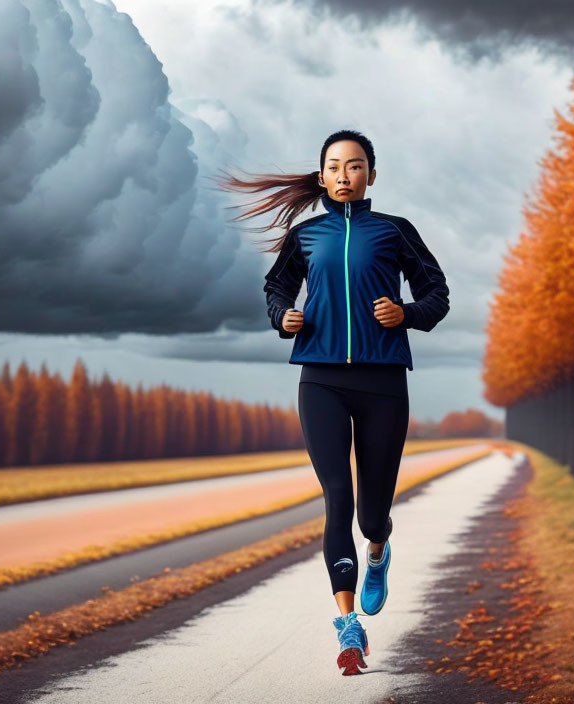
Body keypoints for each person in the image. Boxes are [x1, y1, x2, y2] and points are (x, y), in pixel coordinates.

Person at [217, 129, 449, 675]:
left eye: (356, 166)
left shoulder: (395, 232)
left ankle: (378, 549)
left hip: (384, 382)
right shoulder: (306, 236)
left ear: (372, 174)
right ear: (322, 177)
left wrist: (406, 313)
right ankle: (348, 625)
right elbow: (276, 290)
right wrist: (282, 317)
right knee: (337, 497)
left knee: (372, 513)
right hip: (319, 379)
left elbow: (436, 292)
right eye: (336, 167)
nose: (346, 175)